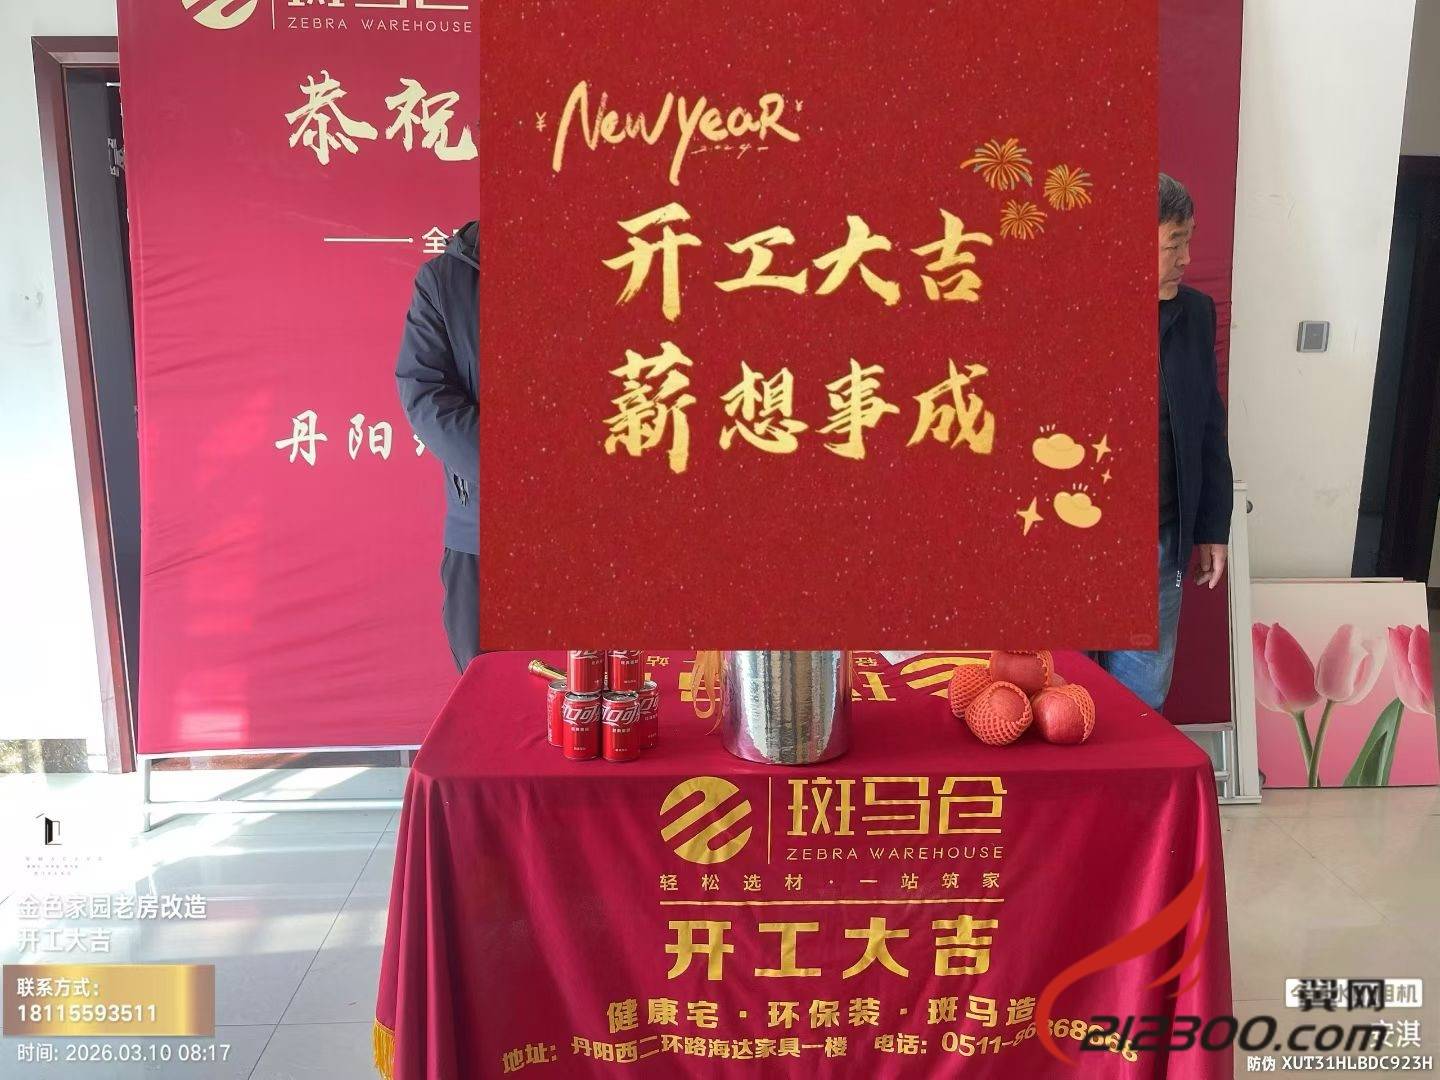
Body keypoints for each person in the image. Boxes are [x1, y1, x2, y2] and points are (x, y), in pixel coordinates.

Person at [1097, 175, 1233, 710]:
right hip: (1070, 548)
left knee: (1140, 701)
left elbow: (1208, 425)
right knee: (1061, 696)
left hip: (1158, 540)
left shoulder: (1194, 314)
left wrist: (1212, 525)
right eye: (1173, 244)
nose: (1186, 258)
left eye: (1188, 240)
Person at [396, 221, 480, 671]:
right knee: (491, 690)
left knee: (602, 690)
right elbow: (426, 392)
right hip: (484, 534)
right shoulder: (445, 281)